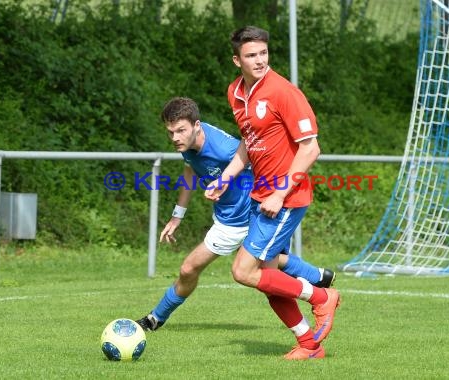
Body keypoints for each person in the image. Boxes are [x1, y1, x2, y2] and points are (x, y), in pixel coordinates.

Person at [135, 97, 335, 332]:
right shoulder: (187, 144)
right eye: (171, 132)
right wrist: (177, 216)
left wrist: (275, 196)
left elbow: (257, 156)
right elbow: (190, 171)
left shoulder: (223, 148)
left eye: (180, 131)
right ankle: (155, 319)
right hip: (227, 222)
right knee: (188, 269)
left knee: (266, 279)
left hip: (254, 217)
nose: (175, 137)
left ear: (197, 125)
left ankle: (315, 314)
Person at [205, 26, 341, 360]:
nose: (260, 60)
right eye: (251, 55)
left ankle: (322, 298)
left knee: (244, 271)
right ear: (236, 60)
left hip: (285, 198)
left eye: (263, 53)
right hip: (260, 196)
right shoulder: (235, 93)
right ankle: (309, 345)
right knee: (267, 276)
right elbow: (248, 144)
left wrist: (280, 194)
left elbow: (310, 148)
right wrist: (225, 177)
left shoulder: (283, 92)